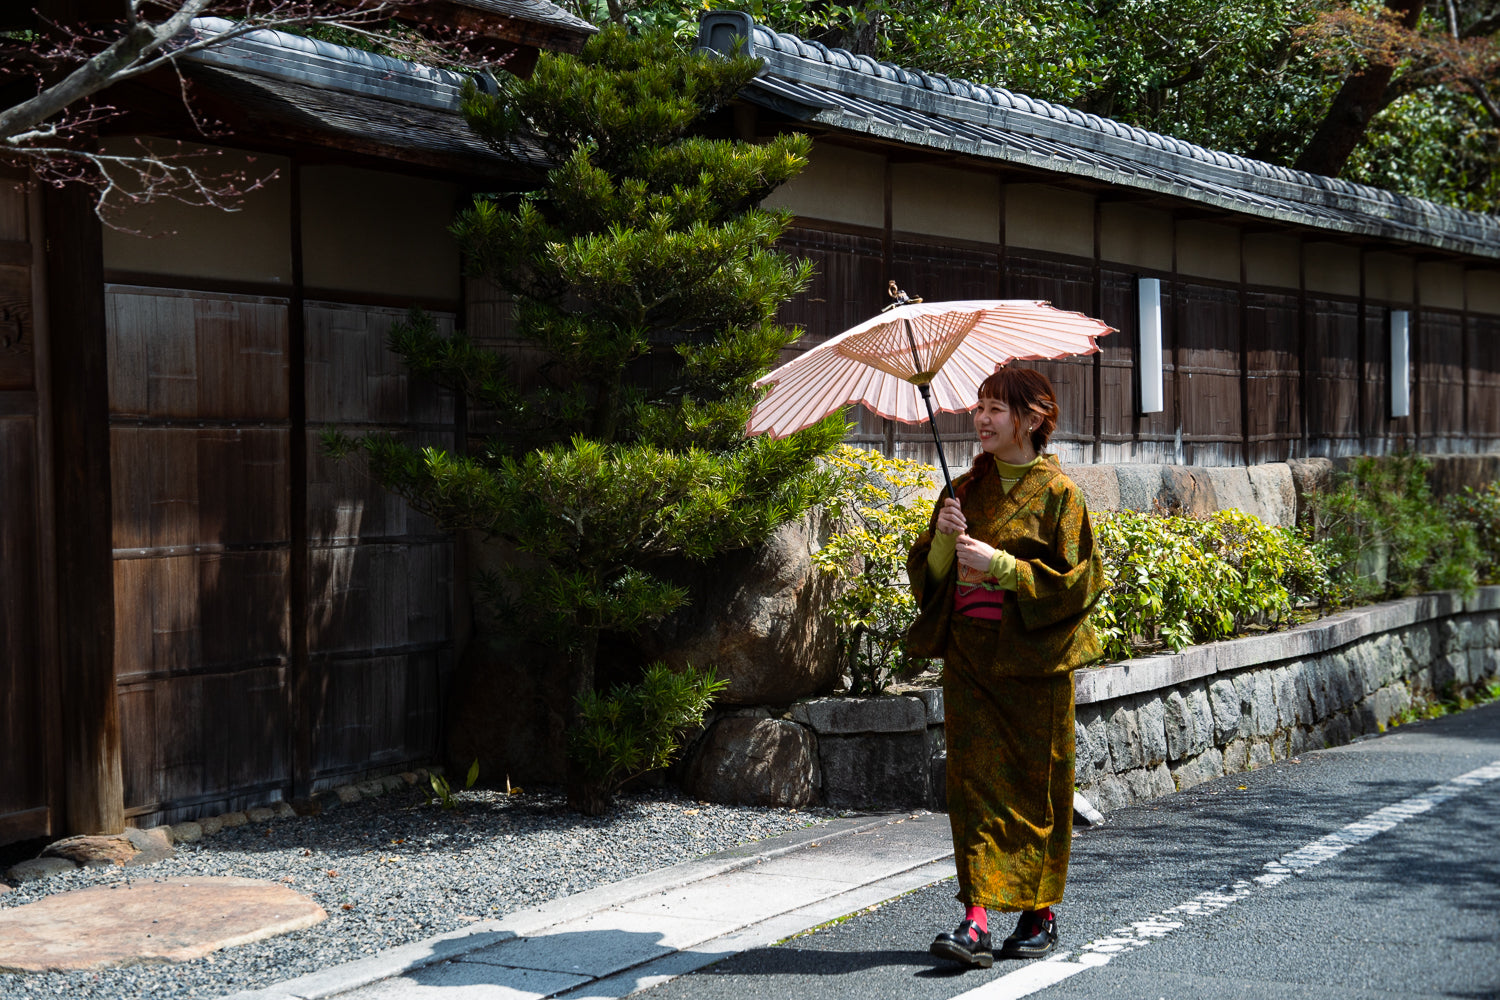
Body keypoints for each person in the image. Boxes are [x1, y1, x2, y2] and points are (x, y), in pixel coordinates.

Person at [906, 366, 1105, 969]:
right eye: (980, 407)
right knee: (972, 785)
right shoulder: (963, 490)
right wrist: (943, 539)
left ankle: (1039, 911)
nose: (982, 419)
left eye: (997, 408)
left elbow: (1081, 582)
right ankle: (975, 920)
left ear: (1033, 419)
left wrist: (1005, 568)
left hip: (1033, 663)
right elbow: (929, 581)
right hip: (970, 654)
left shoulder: (1060, 496)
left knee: (1034, 786)